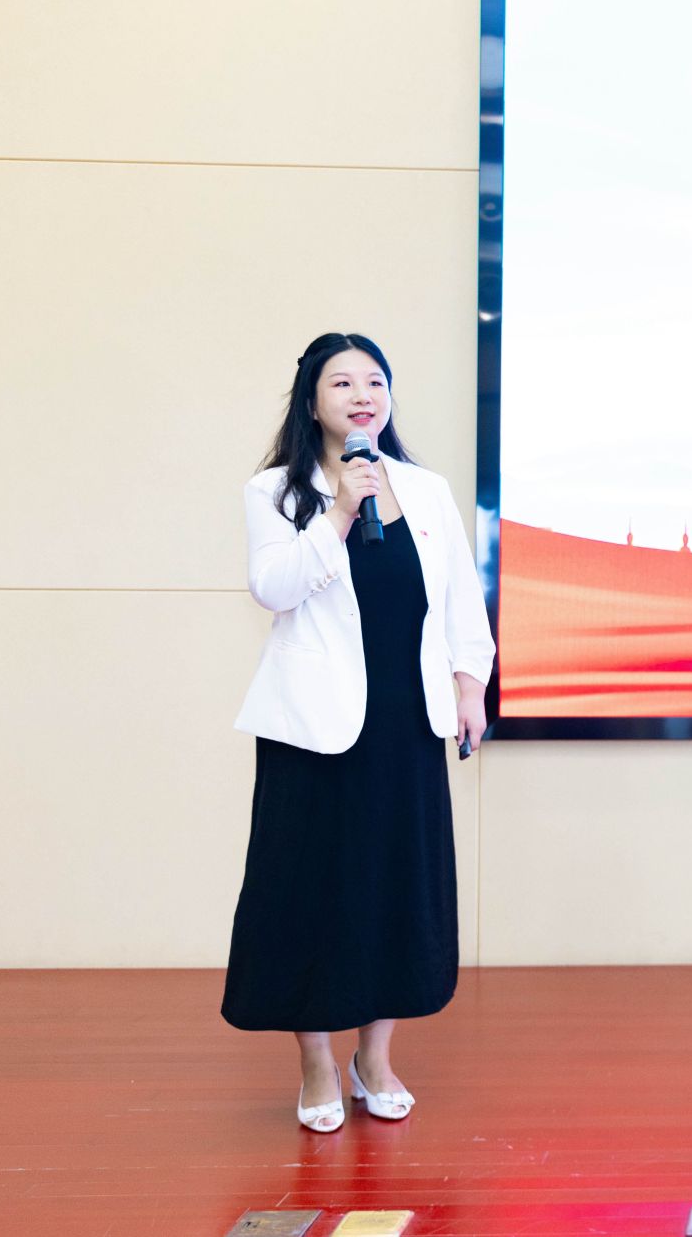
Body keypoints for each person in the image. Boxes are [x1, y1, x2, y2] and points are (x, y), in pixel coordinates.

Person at [222, 333, 495, 1133]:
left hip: (406, 721)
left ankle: (374, 1057)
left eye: (375, 381)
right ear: (312, 401)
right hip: (312, 728)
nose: (362, 394)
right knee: (308, 888)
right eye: (342, 383)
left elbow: (460, 599)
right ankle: (316, 1061)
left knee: (394, 887)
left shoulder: (426, 489)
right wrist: (339, 510)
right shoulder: (276, 490)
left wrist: (470, 683)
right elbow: (274, 588)